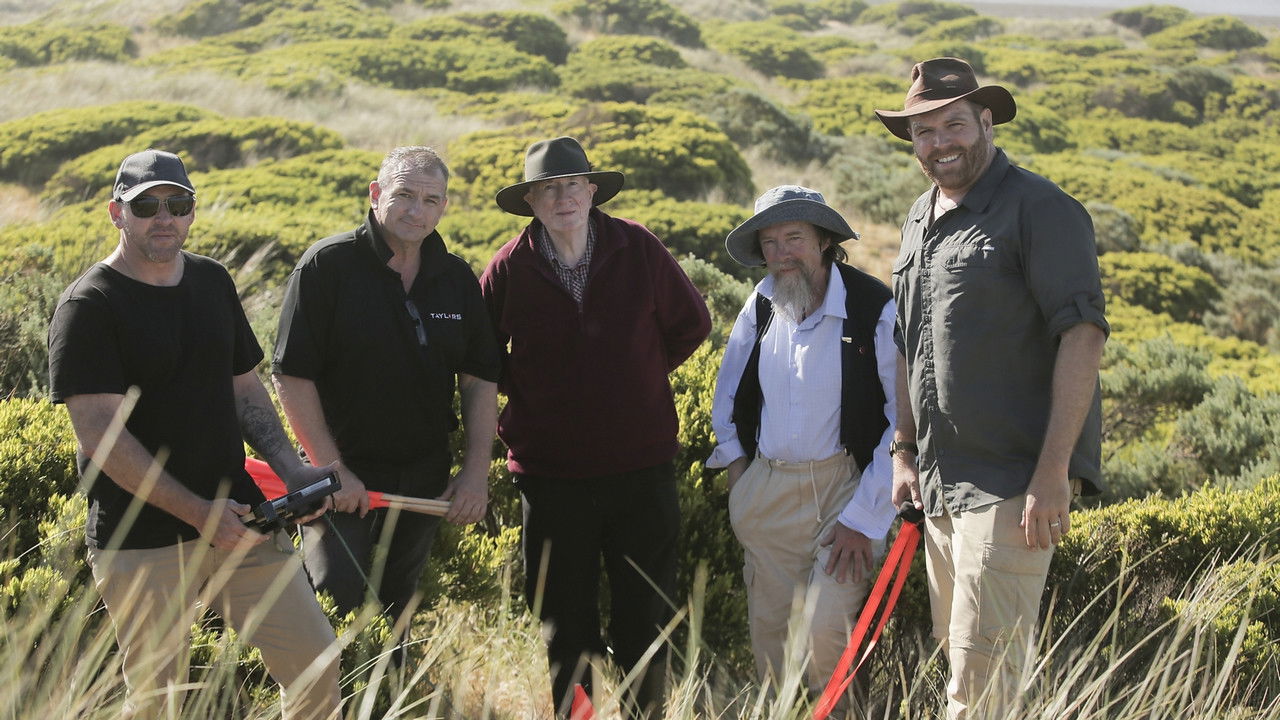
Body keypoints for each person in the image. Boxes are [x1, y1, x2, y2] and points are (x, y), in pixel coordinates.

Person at [47, 149, 341, 720]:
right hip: (142, 541)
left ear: (192, 212)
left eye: (177, 204)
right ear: (116, 212)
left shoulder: (211, 281)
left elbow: (246, 391)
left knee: (316, 666)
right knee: (159, 702)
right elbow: (100, 436)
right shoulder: (89, 306)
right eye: (146, 205)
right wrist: (197, 512)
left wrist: (291, 468)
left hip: (244, 525)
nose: (164, 217)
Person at [875, 57, 1109, 719]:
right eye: (923, 132)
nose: (938, 142)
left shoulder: (1043, 210)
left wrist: (1053, 472)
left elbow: (1082, 337)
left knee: (980, 694)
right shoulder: (920, 216)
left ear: (985, 121)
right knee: (967, 673)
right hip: (941, 488)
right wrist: (902, 450)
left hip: (1011, 487)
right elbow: (906, 339)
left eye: (953, 124)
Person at [479, 136, 711, 718]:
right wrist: (531, 392)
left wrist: (634, 379)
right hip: (550, 477)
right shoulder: (510, 266)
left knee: (644, 618)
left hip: (642, 468)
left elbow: (692, 324)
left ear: (591, 191)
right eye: (549, 189)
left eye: (573, 185)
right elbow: (479, 354)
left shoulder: (638, 247)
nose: (563, 198)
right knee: (564, 622)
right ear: (531, 201)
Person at [272, 146, 500, 631]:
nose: (418, 211)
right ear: (376, 194)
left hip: (423, 478)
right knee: (333, 598)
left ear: (444, 207)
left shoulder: (456, 277)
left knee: (397, 610)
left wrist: (476, 470)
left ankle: (387, 699)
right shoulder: (326, 267)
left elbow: (479, 380)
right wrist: (332, 471)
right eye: (405, 195)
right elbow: (291, 374)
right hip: (339, 478)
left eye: (432, 200)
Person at [706, 185, 897, 708]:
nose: (780, 254)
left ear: (824, 241)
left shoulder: (873, 308)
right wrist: (741, 473)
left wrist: (864, 516)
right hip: (767, 494)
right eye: (768, 243)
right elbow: (726, 394)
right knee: (772, 650)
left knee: (822, 636)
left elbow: (903, 423)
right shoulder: (761, 303)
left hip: (843, 493)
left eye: (794, 238)